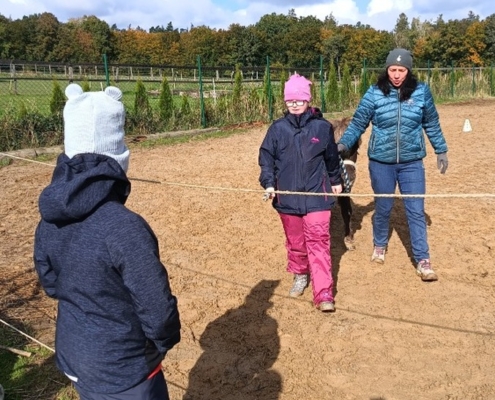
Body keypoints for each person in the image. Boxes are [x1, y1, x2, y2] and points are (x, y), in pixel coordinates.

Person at [33, 83, 181, 399]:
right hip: (125, 370)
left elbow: (51, 284)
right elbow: (157, 309)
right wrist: (161, 343)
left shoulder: (48, 217)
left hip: (77, 358)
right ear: (118, 158)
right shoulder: (124, 227)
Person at [337, 48, 448, 282]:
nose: (396, 74)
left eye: (401, 70)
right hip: (381, 162)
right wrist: (343, 144)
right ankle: (379, 245)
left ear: (408, 70)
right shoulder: (374, 93)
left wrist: (441, 149)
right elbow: (358, 123)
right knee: (384, 207)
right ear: (386, 69)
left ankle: (423, 260)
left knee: (416, 211)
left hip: (411, 163)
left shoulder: (421, 92)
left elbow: (432, 122)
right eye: (392, 69)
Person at [259, 73, 343, 312]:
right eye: (290, 100)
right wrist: (268, 183)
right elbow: (266, 159)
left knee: (318, 242)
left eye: (299, 99)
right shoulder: (277, 129)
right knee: (296, 243)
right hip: (287, 197)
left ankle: (323, 292)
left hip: (317, 196)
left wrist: (335, 180)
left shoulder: (322, 127)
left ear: (308, 99)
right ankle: (300, 274)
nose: (294, 104)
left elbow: (331, 158)